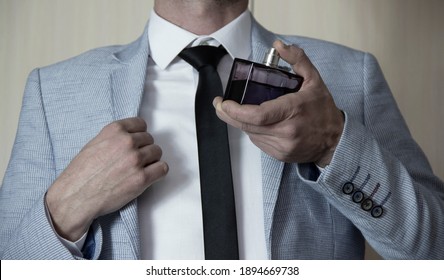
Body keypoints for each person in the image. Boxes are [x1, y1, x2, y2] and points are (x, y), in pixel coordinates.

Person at [1, 0, 443, 260]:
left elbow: (435, 249)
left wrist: (333, 143)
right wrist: (64, 212)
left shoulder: (350, 75)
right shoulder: (53, 90)